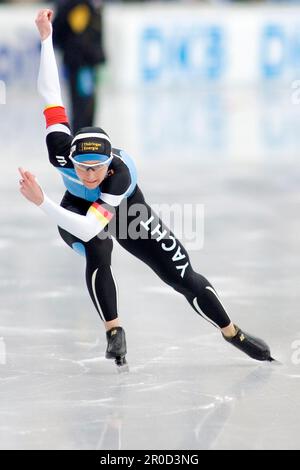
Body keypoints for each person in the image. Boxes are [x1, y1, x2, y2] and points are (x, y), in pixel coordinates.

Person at [19, 9, 274, 368]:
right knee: (98, 248)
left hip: (127, 211)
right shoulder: (59, 150)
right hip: (75, 207)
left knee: (182, 276)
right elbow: (50, 93)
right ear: (69, 160)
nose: (90, 175)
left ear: (110, 164)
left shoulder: (119, 176)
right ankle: (114, 330)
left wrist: (42, 201)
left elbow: (96, 222)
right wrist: (46, 39)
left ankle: (232, 331)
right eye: (82, 168)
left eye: (97, 169)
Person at [52, 0, 106, 132]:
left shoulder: (83, 5)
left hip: (81, 63)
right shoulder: (80, 6)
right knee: (83, 106)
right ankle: (82, 139)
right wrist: (94, 55)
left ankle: (84, 137)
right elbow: (79, 36)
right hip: (82, 65)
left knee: (84, 104)